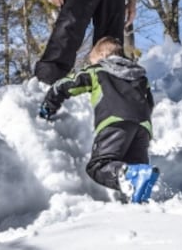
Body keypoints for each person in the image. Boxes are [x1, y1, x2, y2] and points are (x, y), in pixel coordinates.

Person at [38, 36, 158, 203]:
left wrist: (49, 103)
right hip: (142, 128)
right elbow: (149, 102)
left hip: (114, 123)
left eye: (92, 59)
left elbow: (68, 84)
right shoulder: (140, 76)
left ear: (102, 55)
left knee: (99, 166)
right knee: (137, 170)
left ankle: (130, 176)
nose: (90, 63)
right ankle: (138, 196)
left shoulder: (98, 70)